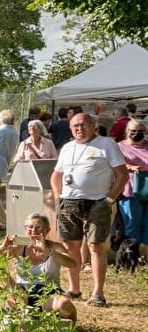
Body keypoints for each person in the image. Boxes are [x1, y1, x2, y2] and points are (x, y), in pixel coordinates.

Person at [46, 111, 128, 306]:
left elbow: (122, 175)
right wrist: (58, 197)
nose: (79, 129)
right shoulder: (67, 148)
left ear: (93, 126)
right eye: (75, 126)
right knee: (70, 246)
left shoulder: (107, 144)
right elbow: (56, 175)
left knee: (95, 246)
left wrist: (109, 199)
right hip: (69, 202)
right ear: (70, 129)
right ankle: (74, 289)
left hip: (97, 202)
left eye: (83, 124)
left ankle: (98, 293)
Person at [0, 213, 77, 322]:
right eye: (30, 227)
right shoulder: (19, 247)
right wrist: (3, 247)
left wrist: (47, 251)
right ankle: (23, 312)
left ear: (47, 230)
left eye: (38, 227)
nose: (33, 230)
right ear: (25, 230)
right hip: (22, 294)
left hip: (49, 293)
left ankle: (73, 328)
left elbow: (72, 263)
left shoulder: (54, 247)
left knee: (64, 304)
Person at [117, 118, 148, 263]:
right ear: (127, 131)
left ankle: (145, 258)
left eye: (140, 131)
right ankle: (131, 260)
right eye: (133, 131)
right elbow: (114, 164)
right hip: (129, 192)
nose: (136, 133)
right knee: (132, 226)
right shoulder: (119, 147)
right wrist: (131, 167)